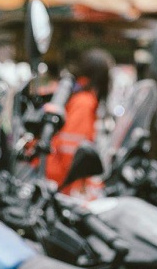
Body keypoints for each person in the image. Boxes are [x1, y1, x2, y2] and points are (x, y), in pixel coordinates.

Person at [46, 48, 114, 192]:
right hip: (60, 182)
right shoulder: (84, 102)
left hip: (57, 178)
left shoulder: (81, 95)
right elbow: (71, 150)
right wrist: (79, 187)